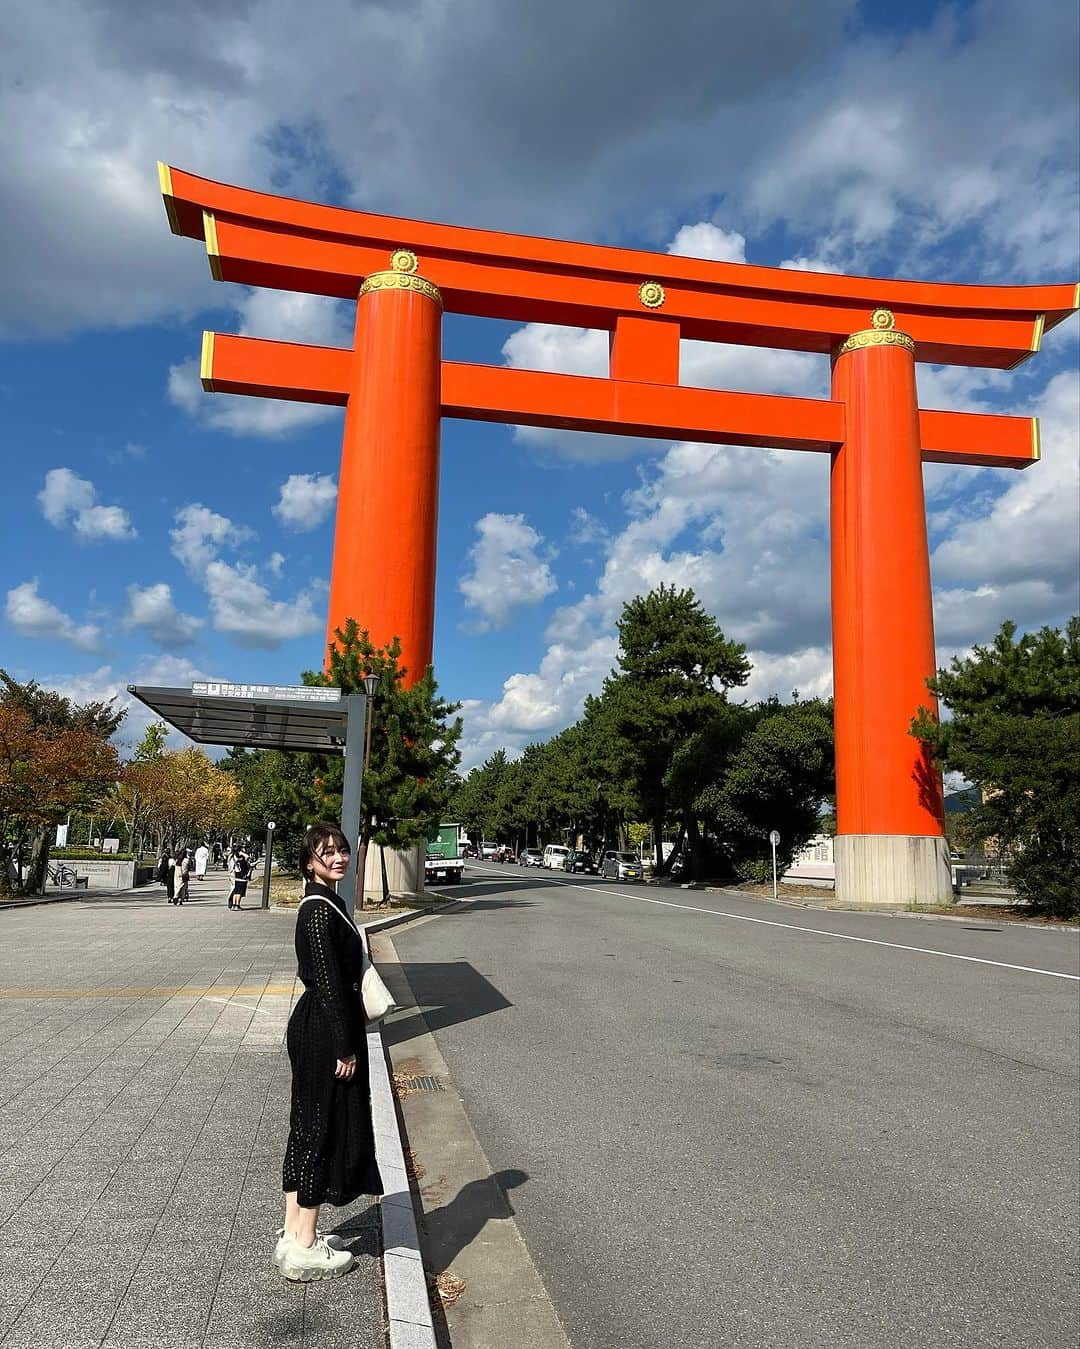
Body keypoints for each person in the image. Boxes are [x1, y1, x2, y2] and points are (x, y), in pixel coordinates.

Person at [274, 822, 382, 1281]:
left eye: (341, 850)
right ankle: (304, 1246)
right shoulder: (318, 912)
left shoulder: (326, 904)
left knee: (306, 1125)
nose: (338, 858)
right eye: (326, 853)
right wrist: (345, 1046)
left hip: (318, 1026)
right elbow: (328, 984)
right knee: (322, 1129)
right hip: (325, 1032)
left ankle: (293, 1230)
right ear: (308, 862)